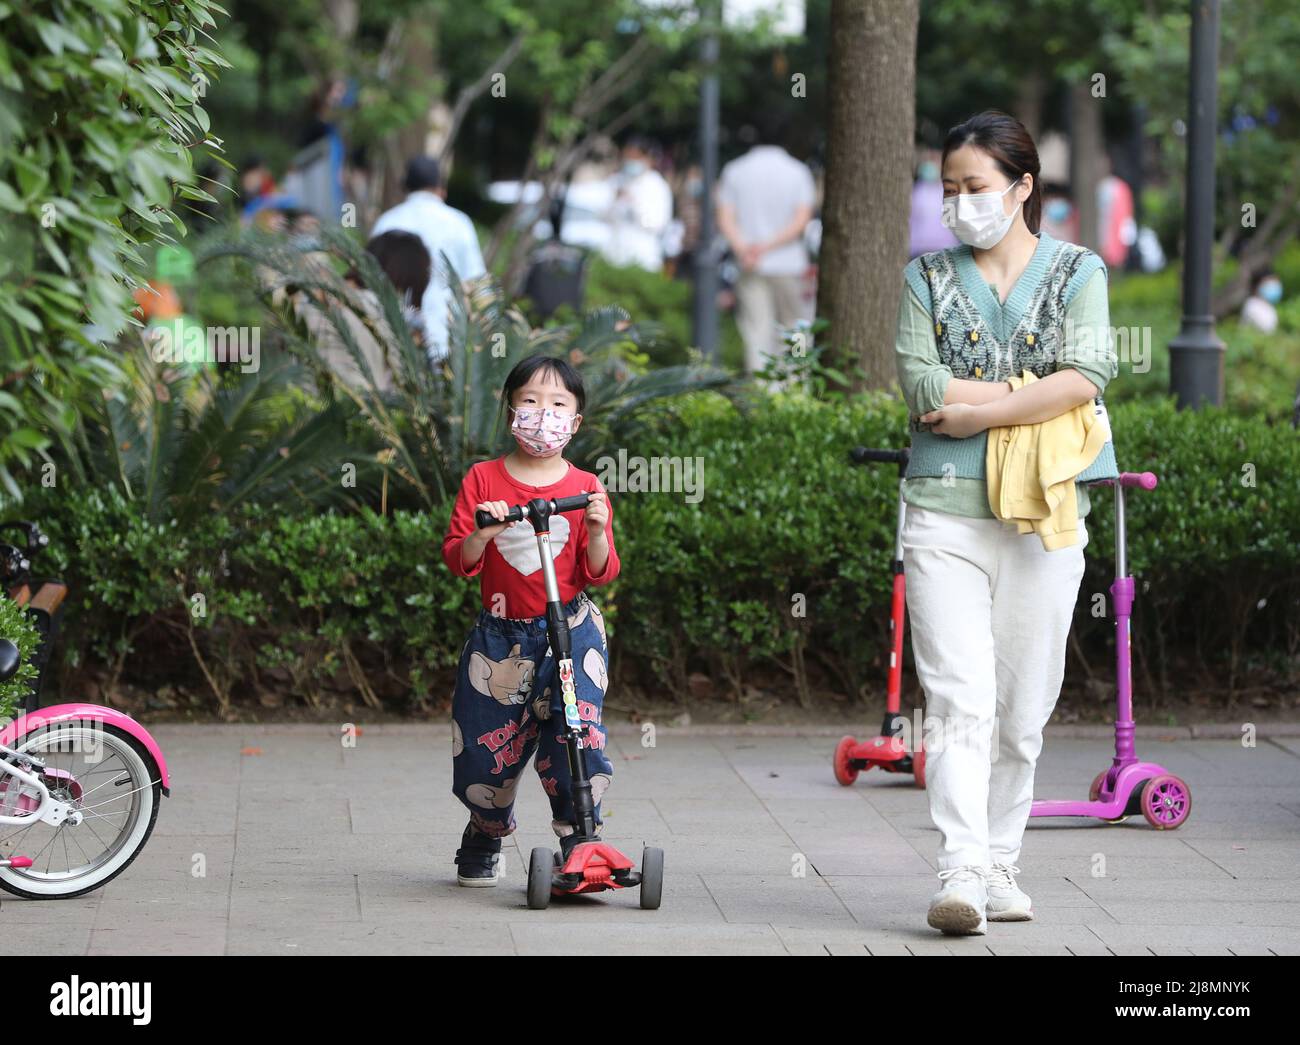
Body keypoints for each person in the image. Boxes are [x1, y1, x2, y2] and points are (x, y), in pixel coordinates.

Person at [894, 110, 1119, 936]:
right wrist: (1036, 391)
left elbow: (1088, 374)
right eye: (948, 188)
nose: (958, 203)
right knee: (959, 699)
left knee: (1024, 709)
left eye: (975, 187)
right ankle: (959, 866)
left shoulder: (1077, 271)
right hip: (942, 513)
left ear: (1023, 187)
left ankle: (1000, 860)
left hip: (1047, 513)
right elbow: (923, 390)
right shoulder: (926, 276)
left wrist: (976, 404)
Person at [440, 355, 620, 886]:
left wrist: (595, 527)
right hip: (501, 638)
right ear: (511, 409)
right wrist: (484, 530)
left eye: (559, 404)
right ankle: (485, 829)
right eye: (531, 401)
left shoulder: (587, 484)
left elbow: (600, 570)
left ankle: (579, 834)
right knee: (483, 749)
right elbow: (458, 558)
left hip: (573, 629)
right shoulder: (484, 479)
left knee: (577, 734)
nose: (544, 415)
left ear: (576, 421)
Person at [716, 121, 816, 374]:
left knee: (755, 329)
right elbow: (801, 221)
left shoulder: (735, 170)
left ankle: (760, 387)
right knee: (794, 327)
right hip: (788, 262)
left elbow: (725, 218)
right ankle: (794, 382)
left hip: (750, 263)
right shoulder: (797, 171)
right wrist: (767, 246)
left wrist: (746, 250)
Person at [372, 156, 487, 361]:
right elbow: (477, 284)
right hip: (447, 339)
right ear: (440, 187)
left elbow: (370, 280)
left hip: (394, 341)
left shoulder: (387, 221)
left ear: (406, 186)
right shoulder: (458, 223)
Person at [603, 136, 674, 272]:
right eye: (627, 157)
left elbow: (658, 224)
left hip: (643, 258)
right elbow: (605, 218)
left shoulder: (656, 185)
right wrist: (616, 201)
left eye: (635, 157)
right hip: (615, 255)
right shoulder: (617, 180)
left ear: (647, 158)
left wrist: (635, 204)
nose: (630, 162)